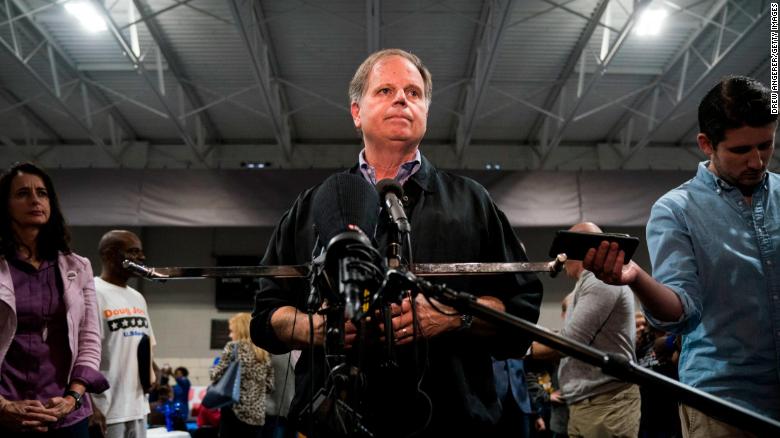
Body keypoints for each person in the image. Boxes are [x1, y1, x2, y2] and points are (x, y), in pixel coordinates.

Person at [251, 48, 542, 437]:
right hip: (336, 422)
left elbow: (521, 315)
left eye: (414, 92)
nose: (402, 99)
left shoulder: (472, 202)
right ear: (357, 113)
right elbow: (265, 318)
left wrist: (451, 318)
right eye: (385, 90)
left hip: (452, 422)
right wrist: (316, 328)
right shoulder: (312, 207)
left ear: (425, 110)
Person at [584, 75, 780, 435]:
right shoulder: (676, 210)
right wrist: (638, 278)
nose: (756, 161)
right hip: (723, 402)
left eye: (765, 146)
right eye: (740, 151)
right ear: (706, 144)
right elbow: (680, 313)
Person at [0, 162, 109, 436]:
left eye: (42, 193)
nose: (35, 200)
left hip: (66, 415)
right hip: (6, 412)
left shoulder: (78, 266)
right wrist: (2, 407)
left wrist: (73, 398)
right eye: (23, 193)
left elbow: (89, 339)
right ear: (5, 205)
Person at [532, 222, 640, 438]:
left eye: (565, 250)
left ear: (580, 249)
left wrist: (525, 350)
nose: (561, 259)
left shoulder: (601, 281)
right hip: (587, 404)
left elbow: (572, 342)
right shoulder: (583, 286)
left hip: (606, 403)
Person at [91, 230, 155, 438]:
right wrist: (89, 406)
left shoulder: (137, 298)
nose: (142, 258)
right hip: (106, 410)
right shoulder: (92, 292)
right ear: (110, 255)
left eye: (141, 252)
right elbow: (77, 355)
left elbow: (145, 344)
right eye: (133, 252)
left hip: (137, 408)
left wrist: (154, 374)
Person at [211, 312, 273, 438]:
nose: (230, 335)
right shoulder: (263, 352)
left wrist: (213, 368)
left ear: (240, 330)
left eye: (232, 331)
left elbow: (215, 375)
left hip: (234, 412)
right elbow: (269, 386)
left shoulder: (233, 347)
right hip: (257, 416)